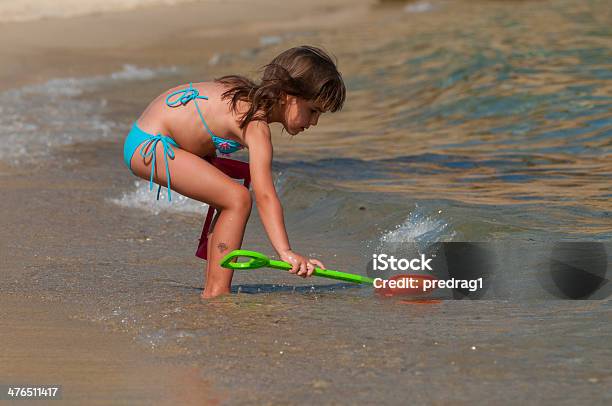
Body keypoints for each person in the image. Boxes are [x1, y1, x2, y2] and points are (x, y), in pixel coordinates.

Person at [122, 45, 346, 298]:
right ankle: (217, 293)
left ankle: (213, 288)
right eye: (313, 111)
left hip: (152, 139)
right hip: (151, 144)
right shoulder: (255, 124)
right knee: (237, 198)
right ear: (288, 96)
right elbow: (265, 196)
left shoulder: (246, 97)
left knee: (230, 195)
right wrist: (285, 252)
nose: (314, 122)